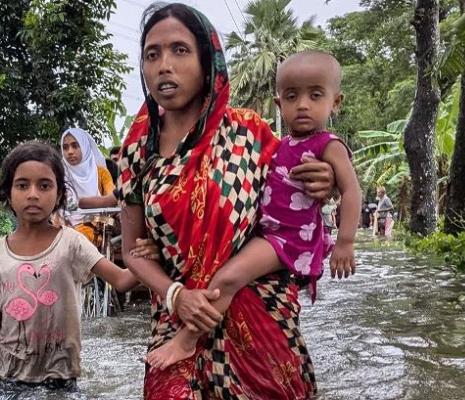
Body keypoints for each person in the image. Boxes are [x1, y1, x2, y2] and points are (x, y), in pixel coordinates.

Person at [118, 4, 338, 398]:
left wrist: (328, 179)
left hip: (259, 313)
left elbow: (294, 202)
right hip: (177, 317)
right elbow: (133, 252)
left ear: (208, 62)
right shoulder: (137, 150)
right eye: (152, 54)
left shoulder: (249, 134)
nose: (164, 65)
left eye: (179, 50)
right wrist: (176, 295)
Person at [143, 49, 361, 370]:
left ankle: (186, 341)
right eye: (292, 96)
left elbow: (352, 189)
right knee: (229, 278)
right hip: (267, 234)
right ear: (279, 104)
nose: (303, 105)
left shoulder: (327, 145)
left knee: (227, 278)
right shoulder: (277, 144)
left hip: (285, 239)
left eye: (316, 95)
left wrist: (346, 241)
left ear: (336, 102)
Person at [0, 141, 138, 389]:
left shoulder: (71, 242)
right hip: (6, 377)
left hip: (60, 378)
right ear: (8, 193)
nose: (33, 194)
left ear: (59, 194)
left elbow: (124, 280)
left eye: (44, 185)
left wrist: (153, 253)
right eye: (22, 185)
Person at [58, 128, 117, 245]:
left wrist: (82, 204)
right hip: (61, 226)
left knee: (76, 240)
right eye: (65, 147)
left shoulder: (101, 172)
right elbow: (56, 206)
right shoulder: (59, 174)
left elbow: (113, 198)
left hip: (95, 227)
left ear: (85, 146)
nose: (70, 151)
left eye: (75, 146)